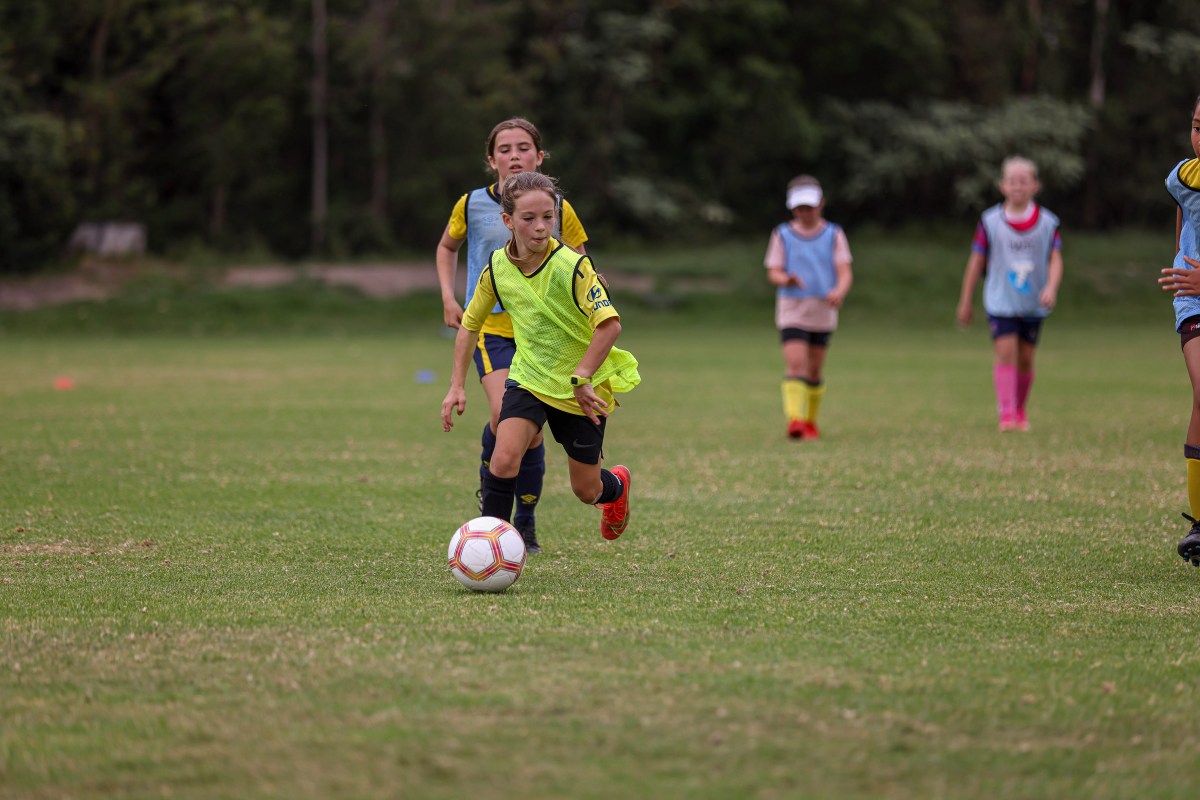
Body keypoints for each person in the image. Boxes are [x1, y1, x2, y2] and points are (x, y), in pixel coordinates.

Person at [441, 172, 639, 544]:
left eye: (548, 217)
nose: (540, 227)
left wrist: (582, 375)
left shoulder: (573, 266)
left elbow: (609, 326)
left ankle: (616, 487)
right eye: (529, 218)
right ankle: (491, 547)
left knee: (587, 490)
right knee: (503, 460)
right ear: (507, 220)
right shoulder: (497, 268)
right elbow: (469, 325)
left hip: (579, 389)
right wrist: (456, 386)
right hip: (529, 378)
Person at [435, 118, 590, 554]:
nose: (514, 155)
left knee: (531, 433)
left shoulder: (557, 206)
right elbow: (447, 247)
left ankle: (525, 519)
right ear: (491, 160)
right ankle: (496, 497)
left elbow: (581, 262)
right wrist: (448, 296)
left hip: (543, 335)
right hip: (494, 329)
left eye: (523, 147)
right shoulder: (470, 204)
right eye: (504, 149)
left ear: (539, 157)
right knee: (505, 413)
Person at [956, 156, 1064, 432]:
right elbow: (976, 262)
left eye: (1023, 181)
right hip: (1000, 301)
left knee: (1026, 358)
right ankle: (1006, 414)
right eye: (1012, 181)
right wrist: (966, 300)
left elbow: (1055, 259)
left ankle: (1019, 409)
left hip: (1033, 302)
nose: (1018, 186)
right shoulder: (989, 221)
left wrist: (1051, 287)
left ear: (1035, 185)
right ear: (1002, 185)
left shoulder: (1048, 222)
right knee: (1005, 354)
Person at [764, 175, 853, 440]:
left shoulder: (834, 234)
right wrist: (785, 279)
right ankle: (795, 420)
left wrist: (839, 291)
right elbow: (773, 271)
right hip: (792, 308)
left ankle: (811, 421)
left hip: (822, 310)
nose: (805, 212)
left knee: (814, 370)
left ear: (821, 203)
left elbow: (844, 271)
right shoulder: (782, 234)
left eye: (809, 207)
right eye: (799, 208)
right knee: (795, 363)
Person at [1156, 94, 1200, 566]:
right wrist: (1184, 276)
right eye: (1197, 126)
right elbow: (1184, 231)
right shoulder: (1182, 178)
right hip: (1195, 304)